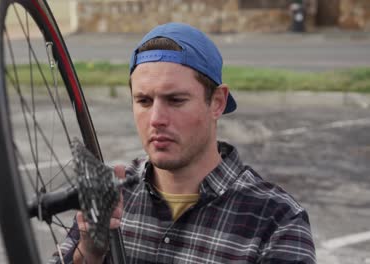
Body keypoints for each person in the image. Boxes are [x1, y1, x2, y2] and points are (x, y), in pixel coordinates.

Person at [61, 22, 316, 263]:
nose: (156, 119)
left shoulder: (276, 220)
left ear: (217, 102)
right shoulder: (113, 195)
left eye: (175, 100)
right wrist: (89, 254)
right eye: (144, 101)